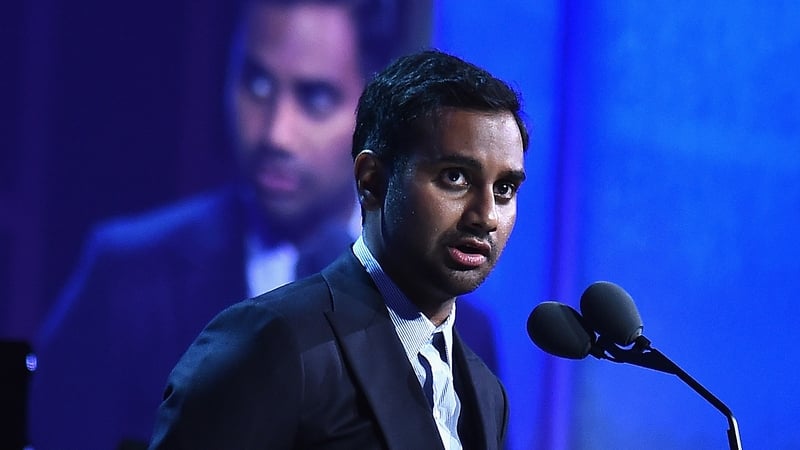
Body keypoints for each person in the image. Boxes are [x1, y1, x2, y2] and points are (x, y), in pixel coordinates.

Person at [28, 1, 498, 449]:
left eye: (314, 97)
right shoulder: (126, 274)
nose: (275, 132)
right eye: (256, 84)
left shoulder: (460, 332)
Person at [148, 48, 528, 450]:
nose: (485, 215)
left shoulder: (486, 392)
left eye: (504, 189)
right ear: (371, 181)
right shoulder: (273, 342)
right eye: (455, 177)